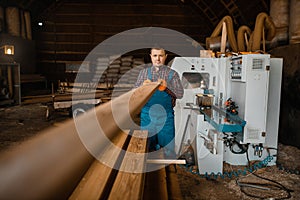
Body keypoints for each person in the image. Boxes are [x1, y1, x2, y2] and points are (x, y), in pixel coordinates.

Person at [135, 47, 184, 157]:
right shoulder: (143, 74)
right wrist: (142, 88)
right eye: (155, 55)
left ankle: (169, 170)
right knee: (146, 148)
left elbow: (180, 94)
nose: (158, 59)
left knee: (168, 149)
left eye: (161, 56)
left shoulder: (173, 74)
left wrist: (167, 87)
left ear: (165, 57)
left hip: (166, 117)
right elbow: (134, 95)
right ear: (151, 56)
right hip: (147, 116)